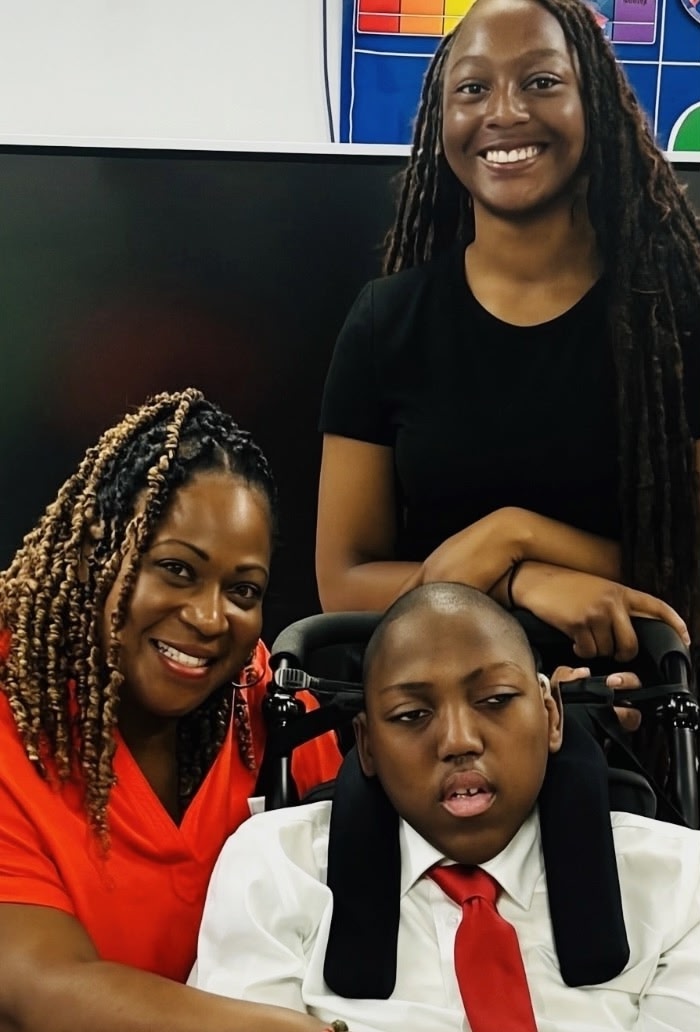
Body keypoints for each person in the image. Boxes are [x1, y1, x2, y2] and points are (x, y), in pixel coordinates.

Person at [316, 0, 700, 658]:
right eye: (472, 87)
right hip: (441, 710)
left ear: (596, 104)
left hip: (634, 705)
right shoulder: (387, 322)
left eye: (540, 81)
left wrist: (514, 535)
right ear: (443, 120)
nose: (504, 111)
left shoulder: (676, 314)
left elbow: (685, 561)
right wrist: (519, 582)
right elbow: (344, 581)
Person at [190, 582, 700, 1031]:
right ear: (365, 745)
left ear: (551, 716)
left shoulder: (679, 882)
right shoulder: (277, 869)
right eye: (412, 714)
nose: (458, 741)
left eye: (496, 699)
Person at [0, 388, 342, 1032]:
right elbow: (36, 984)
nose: (210, 619)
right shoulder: (11, 713)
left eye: (243, 590)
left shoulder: (279, 710)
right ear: (92, 552)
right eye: (177, 570)